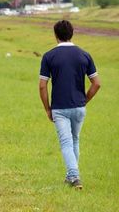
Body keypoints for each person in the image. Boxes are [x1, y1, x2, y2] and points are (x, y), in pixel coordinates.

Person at [38, 20, 101, 189]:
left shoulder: (49, 56)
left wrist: (47, 108)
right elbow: (96, 83)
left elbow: (42, 85)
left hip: (60, 107)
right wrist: (85, 100)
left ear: (55, 35)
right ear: (72, 33)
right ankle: (70, 176)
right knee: (74, 140)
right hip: (79, 107)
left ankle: (74, 176)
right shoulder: (84, 55)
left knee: (66, 143)